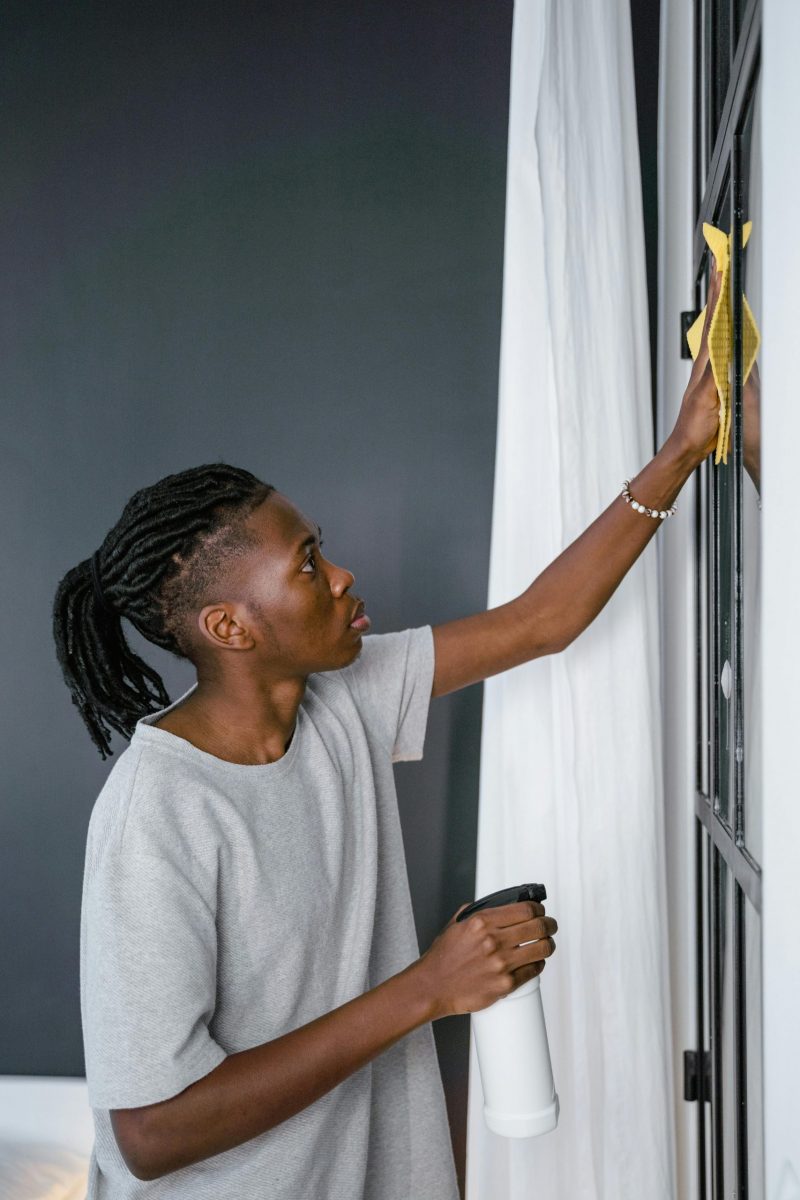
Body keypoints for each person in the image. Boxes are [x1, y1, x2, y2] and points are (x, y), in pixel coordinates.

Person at [53, 267, 725, 1198]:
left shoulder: (342, 698)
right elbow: (152, 1131)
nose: (340, 575)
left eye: (319, 546)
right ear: (230, 628)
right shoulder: (158, 814)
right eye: (307, 562)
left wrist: (682, 452)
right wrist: (428, 987)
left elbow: (541, 621)